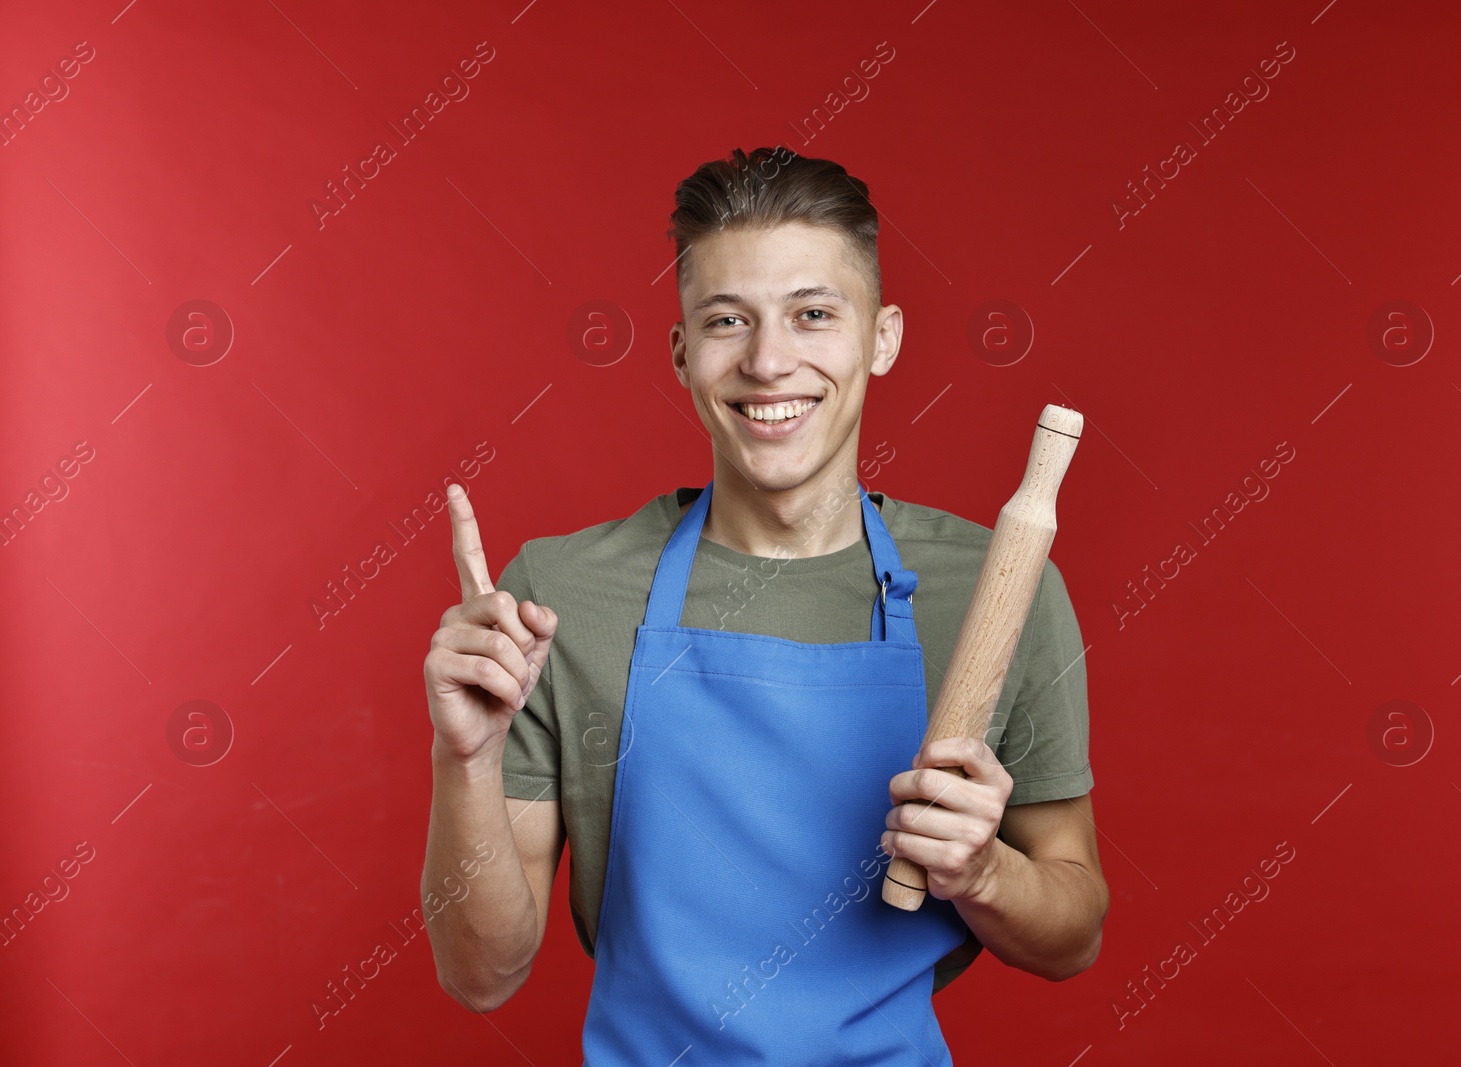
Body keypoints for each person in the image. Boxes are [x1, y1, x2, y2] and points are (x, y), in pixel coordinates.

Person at [421, 147, 1108, 1064]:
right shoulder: (561, 592)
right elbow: (483, 973)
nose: (768, 360)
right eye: (726, 320)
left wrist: (983, 871)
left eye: (813, 315)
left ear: (883, 336)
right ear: (681, 352)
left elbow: (1074, 934)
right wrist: (464, 757)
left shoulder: (993, 589)